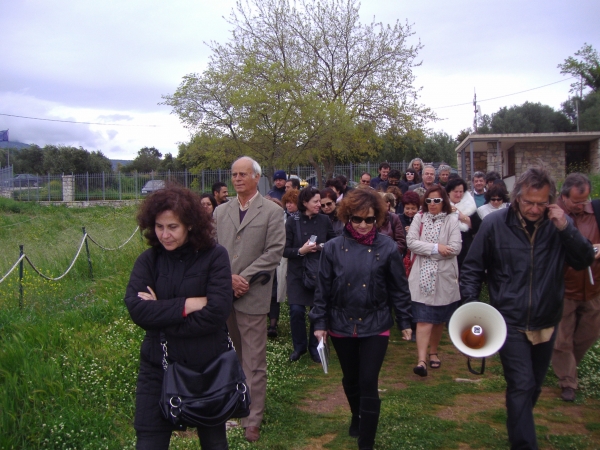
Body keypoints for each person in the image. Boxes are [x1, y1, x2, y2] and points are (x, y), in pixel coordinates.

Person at [460, 168, 595, 450]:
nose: (535, 209)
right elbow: (472, 268)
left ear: (552, 200)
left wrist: (566, 228)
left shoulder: (560, 224)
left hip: (548, 319)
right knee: (521, 384)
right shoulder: (495, 224)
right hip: (509, 321)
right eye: (529, 202)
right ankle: (523, 443)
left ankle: (518, 424)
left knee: (531, 386)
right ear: (517, 197)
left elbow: (583, 260)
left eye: (542, 203)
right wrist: (471, 309)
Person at [124, 185, 232, 450]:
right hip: (157, 365)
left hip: (207, 364)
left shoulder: (215, 257)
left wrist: (162, 313)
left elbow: (216, 312)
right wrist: (188, 304)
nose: (164, 234)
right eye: (159, 227)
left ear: (191, 225)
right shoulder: (148, 261)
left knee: (214, 442)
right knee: (148, 440)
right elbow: (138, 310)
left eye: (172, 227)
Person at [310, 188, 412, 450]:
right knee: (351, 378)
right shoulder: (332, 248)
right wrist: (320, 323)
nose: (364, 225)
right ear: (347, 218)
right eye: (357, 219)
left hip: (375, 323)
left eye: (369, 219)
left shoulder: (388, 247)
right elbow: (322, 290)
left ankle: (367, 440)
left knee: (368, 380)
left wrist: (405, 321)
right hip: (342, 323)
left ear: (377, 218)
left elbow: (399, 287)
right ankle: (356, 414)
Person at [213, 156, 286, 443]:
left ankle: (252, 419)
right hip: (224, 295)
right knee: (232, 356)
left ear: (257, 178)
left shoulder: (271, 211)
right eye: (234, 174)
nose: (238, 179)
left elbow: (274, 251)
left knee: (254, 360)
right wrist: (227, 279)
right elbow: (212, 250)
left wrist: (243, 278)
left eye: (243, 174)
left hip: (253, 295)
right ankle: (234, 405)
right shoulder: (221, 212)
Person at [552, 173, 600, 402]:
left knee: (589, 334)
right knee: (562, 338)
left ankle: (568, 366)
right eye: (576, 201)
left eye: (585, 200)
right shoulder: (556, 218)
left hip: (593, 288)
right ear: (564, 197)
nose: (582, 205)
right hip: (565, 289)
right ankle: (568, 381)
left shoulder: (596, 213)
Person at [407, 185, 461, 377]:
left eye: (436, 201)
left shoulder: (451, 220)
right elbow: (411, 242)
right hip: (421, 277)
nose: (432, 204)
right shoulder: (418, 218)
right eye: (429, 201)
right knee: (423, 320)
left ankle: (433, 352)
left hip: (444, 278)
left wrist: (426, 251)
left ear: (443, 202)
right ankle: (421, 360)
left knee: (438, 321)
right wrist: (437, 248)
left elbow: (455, 249)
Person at [284, 187, 336, 363]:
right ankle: (299, 347)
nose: (319, 204)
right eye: (315, 201)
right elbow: (284, 250)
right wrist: (301, 250)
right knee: (296, 311)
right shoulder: (292, 222)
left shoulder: (324, 220)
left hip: (318, 272)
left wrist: (321, 247)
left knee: (317, 310)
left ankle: (315, 348)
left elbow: (333, 242)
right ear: (304, 202)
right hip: (297, 273)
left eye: (319, 201)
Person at [445, 178, 480, 270]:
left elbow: (477, 226)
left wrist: (461, 216)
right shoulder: (442, 204)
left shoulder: (470, 205)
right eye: (455, 191)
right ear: (449, 192)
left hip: (465, 246)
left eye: (461, 192)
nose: (458, 194)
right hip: (446, 245)